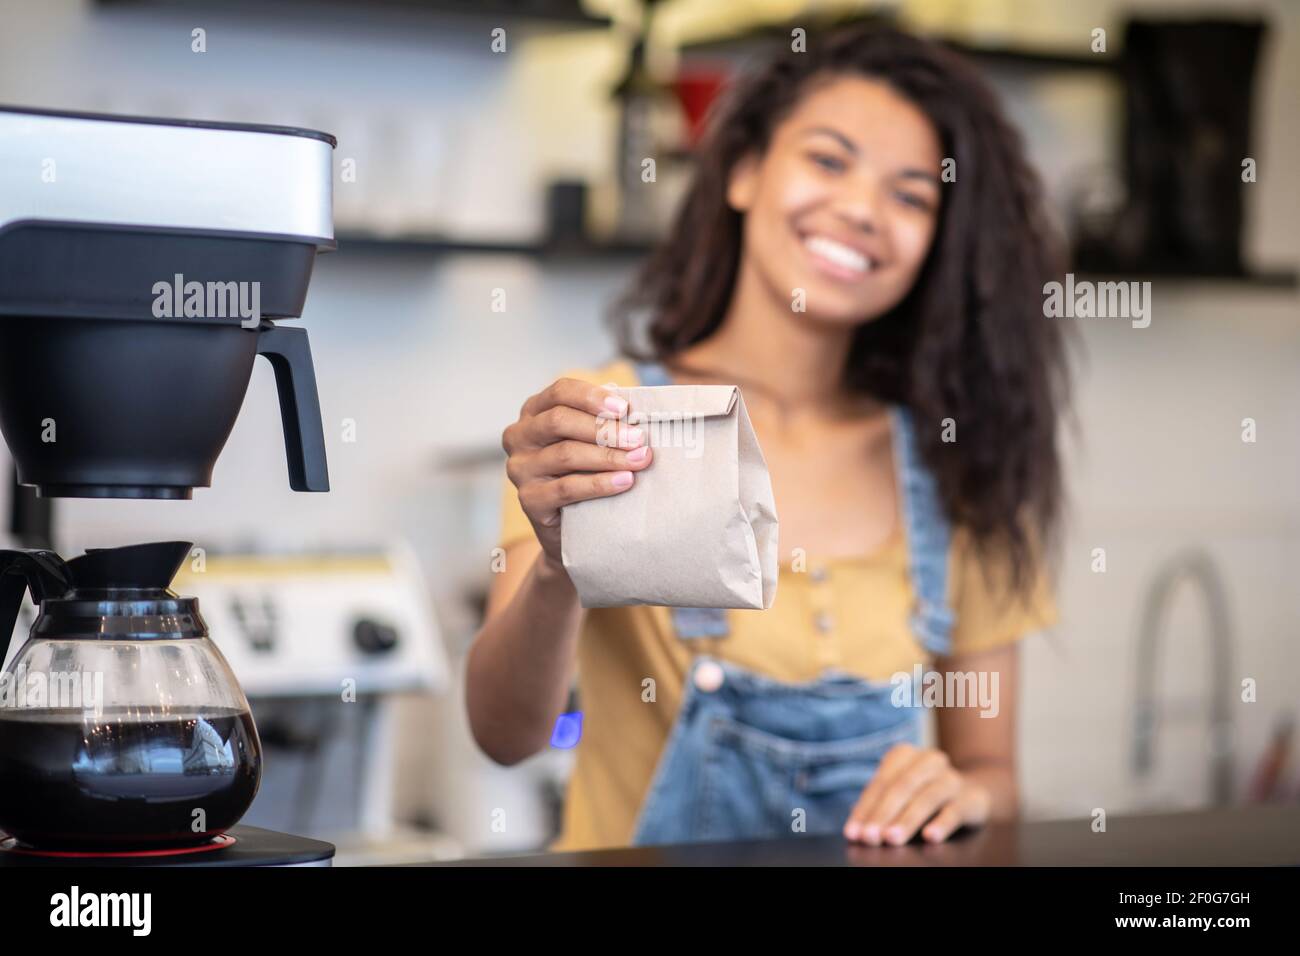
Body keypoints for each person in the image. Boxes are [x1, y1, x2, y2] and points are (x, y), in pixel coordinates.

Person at [467, 24, 1071, 852]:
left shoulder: (957, 461)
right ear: (745, 170)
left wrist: (959, 789)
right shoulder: (608, 421)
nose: (861, 210)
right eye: (828, 160)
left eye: (911, 195)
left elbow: (994, 776)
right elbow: (504, 734)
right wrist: (559, 567)